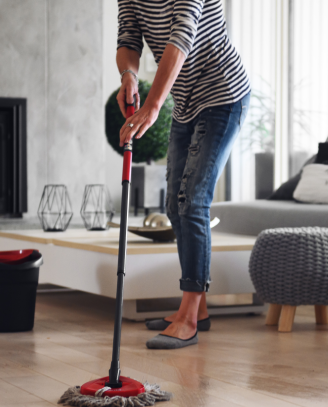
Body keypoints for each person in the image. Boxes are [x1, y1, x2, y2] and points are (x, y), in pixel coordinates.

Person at [116, 0, 250, 349]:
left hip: (223, 96)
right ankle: (199, 309)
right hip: (185, 101)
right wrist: (129, 74)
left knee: (192, 201)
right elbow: (129, 36)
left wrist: (152, 105)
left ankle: (188, 316)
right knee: (175, 206)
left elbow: (182, 35)